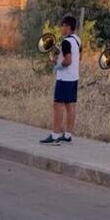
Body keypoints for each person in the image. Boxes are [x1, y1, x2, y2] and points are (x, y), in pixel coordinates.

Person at [40, 15, 81, 145]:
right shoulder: (77, 40)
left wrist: (57, 64)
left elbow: (68, 60)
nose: (61, 28)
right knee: (70, 106)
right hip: (74, 77)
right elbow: (77, 58)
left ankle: (55, 134)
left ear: (67, 27)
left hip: (64, 78)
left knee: (58, 106)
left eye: (62, 26)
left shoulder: (66, 42)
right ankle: (68, 135)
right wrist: (58, 56)